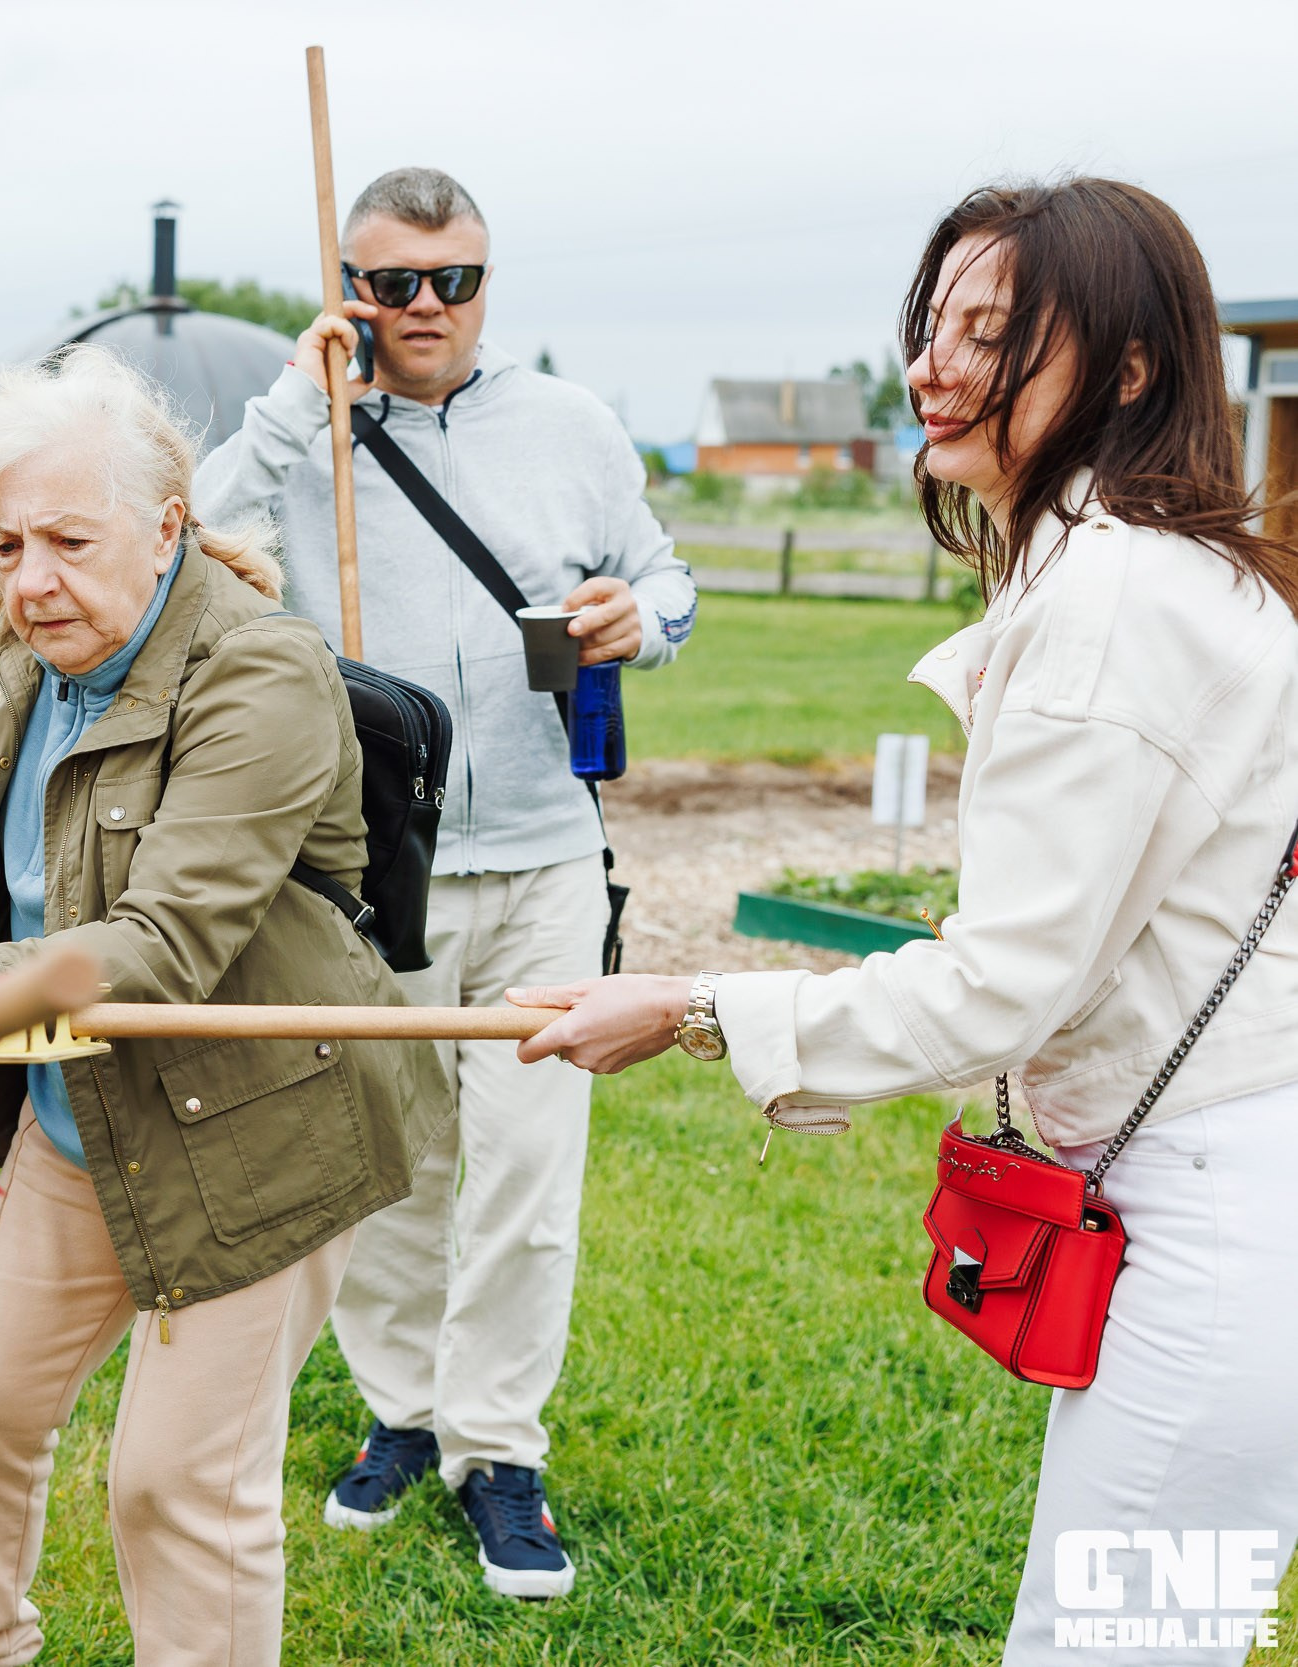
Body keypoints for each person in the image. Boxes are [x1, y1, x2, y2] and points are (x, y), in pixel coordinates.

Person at [515, 178, 1298, 1666]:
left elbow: (1005, 986)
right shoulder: (1142, 565)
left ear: (1127, 371)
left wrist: (690, 1009)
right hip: (1223, 1182)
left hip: (1224, 1209)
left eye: (991, 332)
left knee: (1114, 1644)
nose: (934, 364)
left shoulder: (1111, 599)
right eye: (931, 324)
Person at [0, 344, 445, 1667]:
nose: (30, 581)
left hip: (263, 1128)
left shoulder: (260, 673)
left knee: (175, 1485)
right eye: (4, 544)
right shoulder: (32, 659)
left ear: (166, 524)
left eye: (68, 541)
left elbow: (160, 946)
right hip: (87, 1115)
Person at [195, 165, 698, 1595]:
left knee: (527, 1170)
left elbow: (672, 581)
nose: (424, 308)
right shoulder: (304, 437)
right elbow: (192, 537)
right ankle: (402, 1411)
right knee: (394, 1165)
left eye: (453, 279)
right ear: (349, 284)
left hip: (544, 848)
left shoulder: (573, 427)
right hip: (377, 859)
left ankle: (499, 1449)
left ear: (488, 280)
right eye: (391, 282)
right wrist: (300, 401)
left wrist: (634, 621)